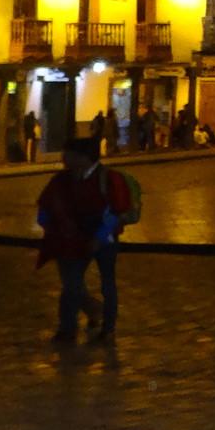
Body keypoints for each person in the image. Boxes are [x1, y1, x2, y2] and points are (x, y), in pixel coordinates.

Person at [35, 137, 135, 343]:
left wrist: (99, 237)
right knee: (71, 284)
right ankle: (67, 329)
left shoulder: (109, 179)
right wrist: (53, 227)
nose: (64, 158)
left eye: (68, 154)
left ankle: (108, 329)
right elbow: (45, 207)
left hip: (104, 240)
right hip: (72, 240)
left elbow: (118, 211)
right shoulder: (61, 180)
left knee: (107, 284)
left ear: (83, 157)